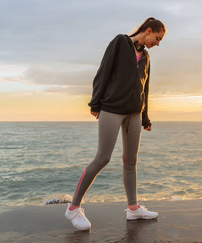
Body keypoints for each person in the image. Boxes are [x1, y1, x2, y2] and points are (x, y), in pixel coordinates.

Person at [65, 18, 166, 230]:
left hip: (134, 113)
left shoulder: (146, 57)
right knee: (103, 157)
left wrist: (145, 117)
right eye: (157, 38)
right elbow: (104, 72)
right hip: (112, 108)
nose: (157, 43)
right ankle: (73, 208)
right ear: (148, 31)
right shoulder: (120, 42)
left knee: (131, 161)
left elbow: (144, 89)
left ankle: (133, 208)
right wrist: (95, 102)